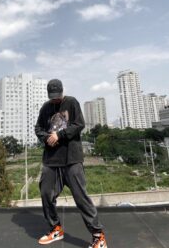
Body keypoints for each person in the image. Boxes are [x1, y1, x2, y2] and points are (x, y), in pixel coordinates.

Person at [35, 79, 108, 248]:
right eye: (52, 97)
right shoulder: (45, 108)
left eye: (57, 96)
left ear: (62, 92)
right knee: (46, 193)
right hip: (51, 160)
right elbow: (38, 128)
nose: (55, 100)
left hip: (71, 159)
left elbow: (79, 124)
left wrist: (59, 135)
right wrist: (46, 138)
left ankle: (98, 236)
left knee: (81, 197)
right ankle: (56, 228)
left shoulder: (71, 102)